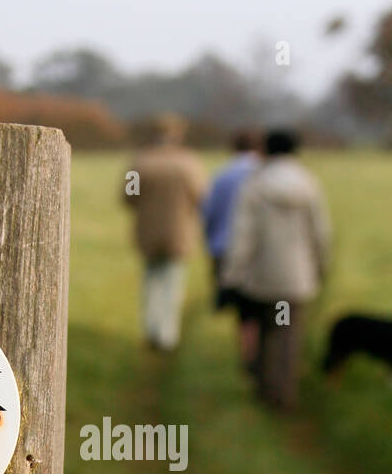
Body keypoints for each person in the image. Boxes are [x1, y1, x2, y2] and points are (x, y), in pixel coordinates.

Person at [222, 128, 330, 410]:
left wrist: (232, 274)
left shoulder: (255, 185)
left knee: (267, 330)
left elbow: (243, 234)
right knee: (287, 333)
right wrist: (321, 266)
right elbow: (320, 233)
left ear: (267, 150)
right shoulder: (309, 184)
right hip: (296, 276)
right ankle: (284, 392)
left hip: (263, 275)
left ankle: (265, 387)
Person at [122, 114, 207, 351]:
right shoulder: (188, 163)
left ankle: (151, 328)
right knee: (172, 281)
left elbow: (128, 197)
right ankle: (167, 335)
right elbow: (201, 196)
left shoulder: (140, 162)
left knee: (151, 281)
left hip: (148, 231)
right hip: (179, 231)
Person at [202, 129, 261, 369]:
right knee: (261, 307)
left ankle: (247, 356)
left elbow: (209, 213)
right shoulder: (263, 173)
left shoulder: (222, 176)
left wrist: (210, 242)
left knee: (243, 311)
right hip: (258, 251)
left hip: (225, 248)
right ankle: (259, 356)